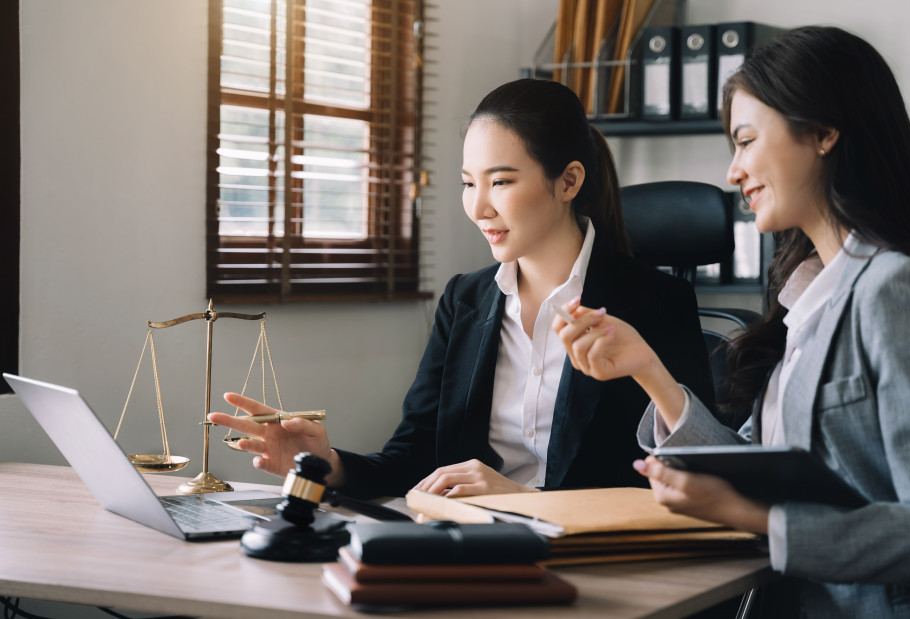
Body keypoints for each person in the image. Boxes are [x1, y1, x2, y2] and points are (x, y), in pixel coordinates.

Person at [555, 26, 910, 617]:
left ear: (823, 133)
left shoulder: (897, 292)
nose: (734, 171)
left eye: (744, 141)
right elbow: (755, 464)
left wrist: (758, 519)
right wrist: (648, 370)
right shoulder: (810, 295)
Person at [209, 78, 714, 500]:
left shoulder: (655, 303)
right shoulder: (464, 302)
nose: (478, 208)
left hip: (593, 565)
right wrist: (327, 463)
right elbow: (414, 458)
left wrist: (524, 501)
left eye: (501, 182)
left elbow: (680, 484)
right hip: (469, 542)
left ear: (568, 181)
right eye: (469, 183)